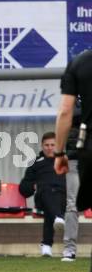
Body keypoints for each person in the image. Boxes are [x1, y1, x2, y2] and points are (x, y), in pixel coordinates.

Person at [54, 50, 92, 272]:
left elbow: (65, 111)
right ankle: (70, 249)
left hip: (88, 149)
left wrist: (58, 154)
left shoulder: (81, 63)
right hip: (79, 154)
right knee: (72, 203)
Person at [19, 132, 66, 257]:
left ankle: (46, 246)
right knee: (46, 189)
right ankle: (58, 217)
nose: (50, 148)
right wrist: (33, 186)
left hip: (62, 198)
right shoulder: (36, 163)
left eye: (52, 145)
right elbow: (23, 188)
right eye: (47, 145)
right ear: (42, 146)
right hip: (42, 198)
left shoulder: (64, 160)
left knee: (51, 208)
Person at [61, 102, 81, 262]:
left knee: (72, 203)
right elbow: (65, 117)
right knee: (72, 202)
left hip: (76, 155)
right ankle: (69, 249)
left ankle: (69, 249)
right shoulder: (73, 101)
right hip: (75, 156)